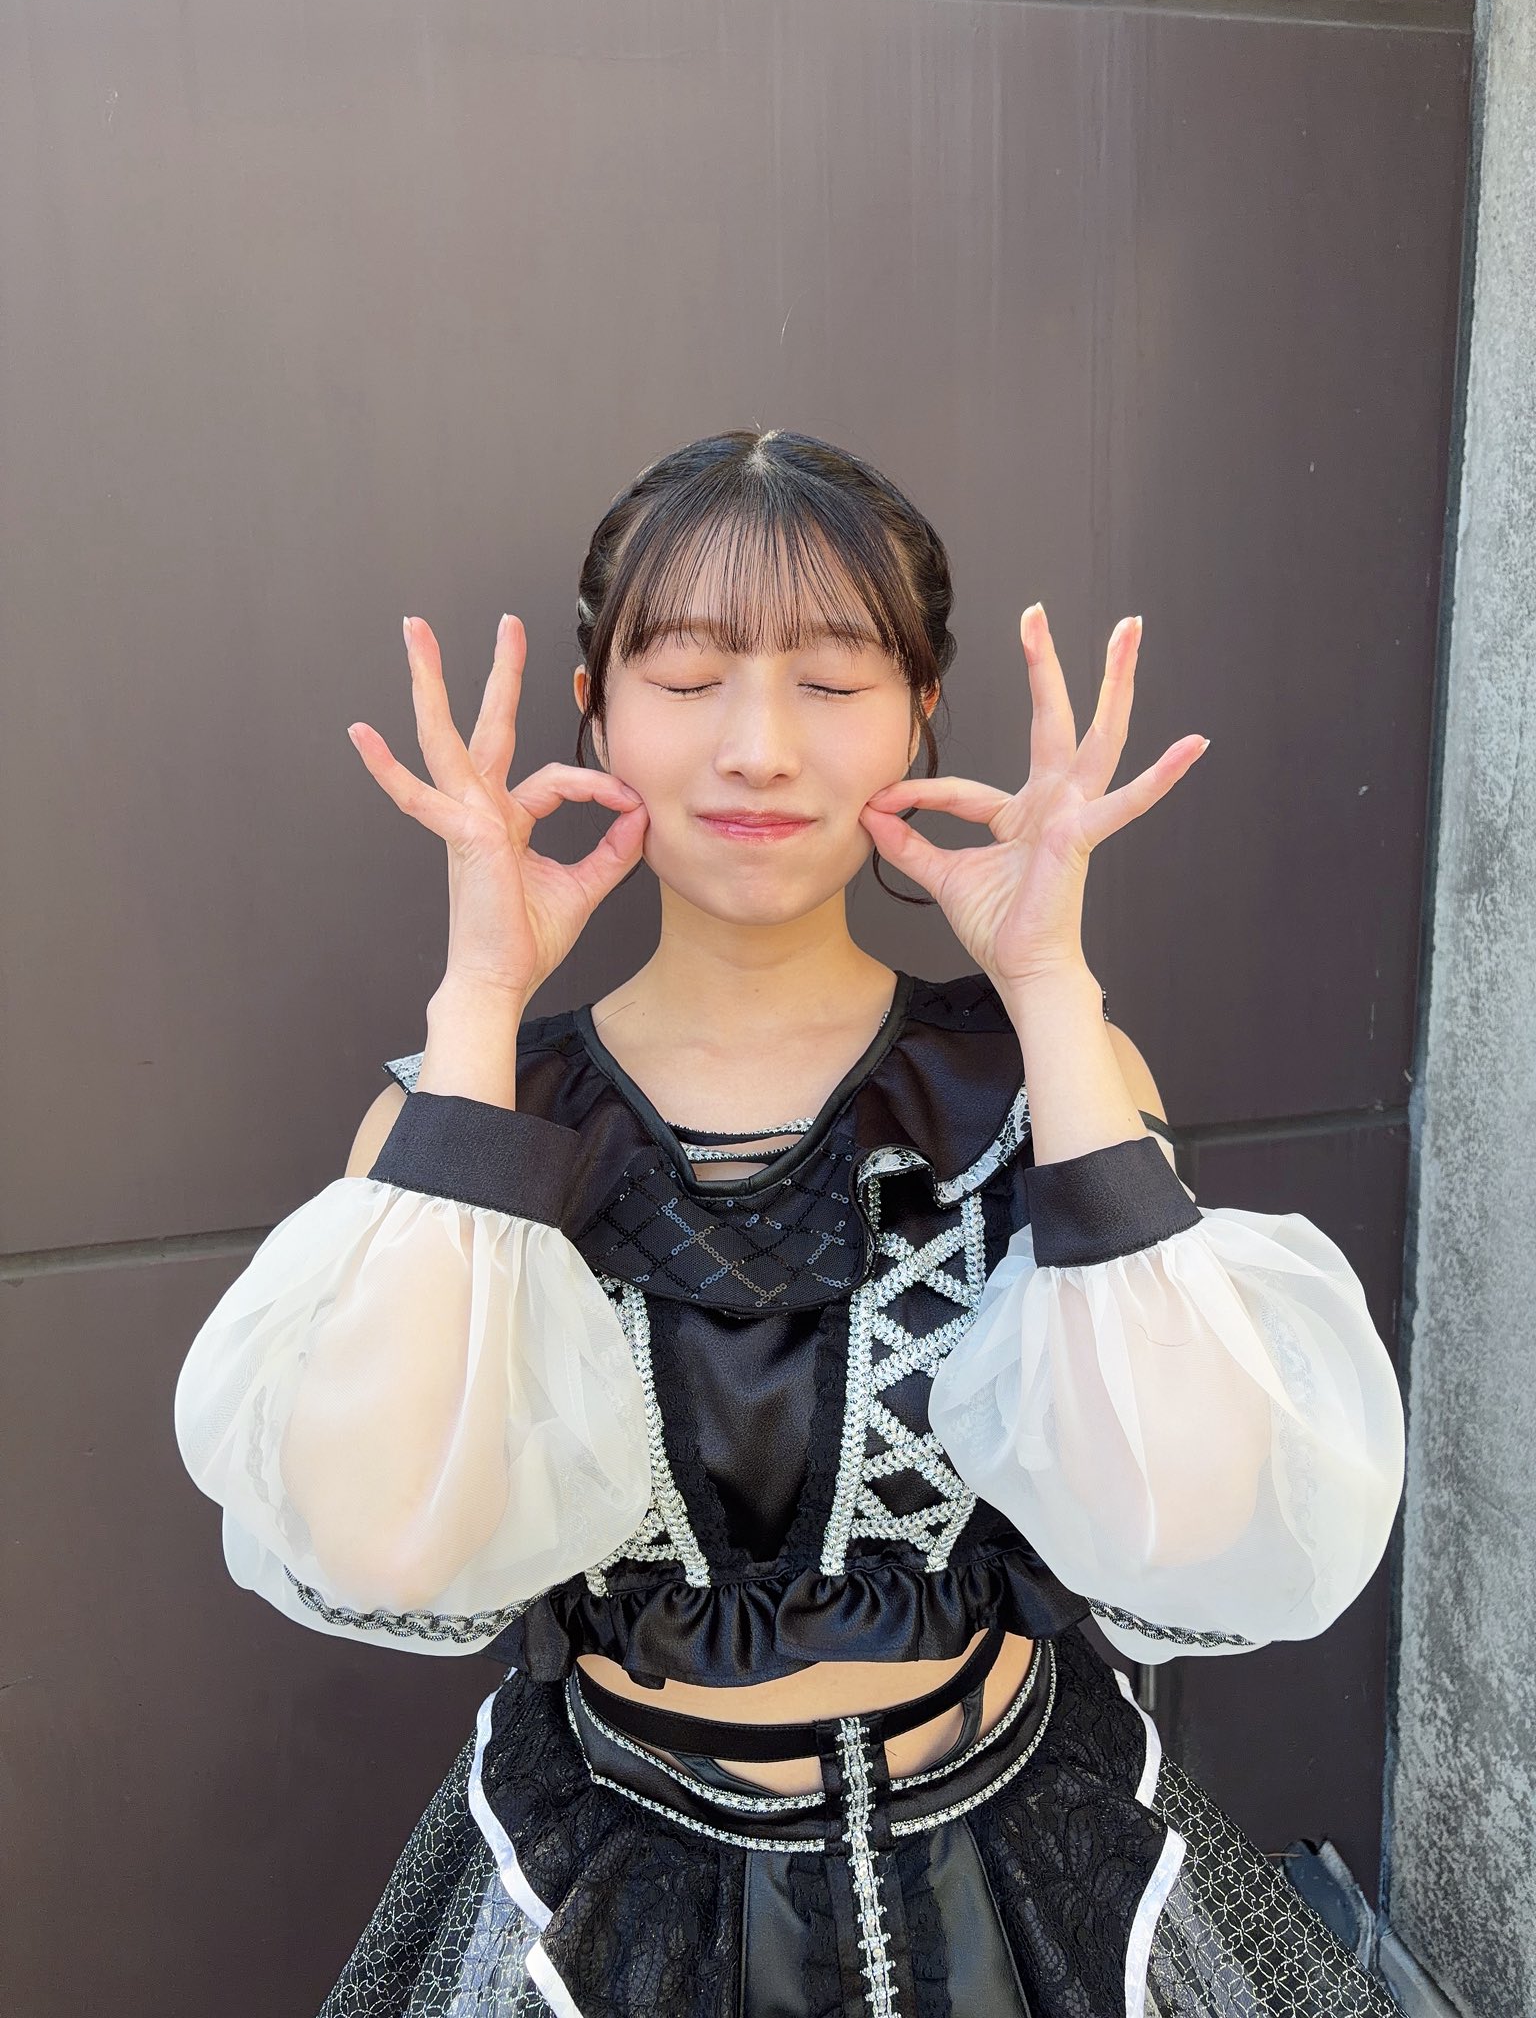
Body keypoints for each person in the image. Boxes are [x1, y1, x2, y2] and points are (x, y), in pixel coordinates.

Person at [173, 429, 1407, 2017]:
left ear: (920, 710)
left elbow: (1200, 1517)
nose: (757, 748)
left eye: (831, 682)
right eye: (690, 679)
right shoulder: (471, 1116)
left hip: (1028, 1870)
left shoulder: (1042, 1075)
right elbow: (383, 1545)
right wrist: (481, 994)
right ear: (597, 712)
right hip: (608, 1893)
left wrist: (1049, 983)